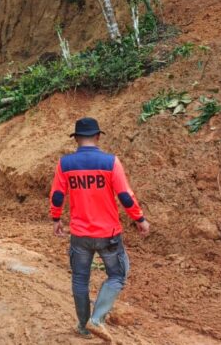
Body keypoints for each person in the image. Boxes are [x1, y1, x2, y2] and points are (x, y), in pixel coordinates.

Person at [48, 117, 150, 342]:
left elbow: (57, 195)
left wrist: (56, 219)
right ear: (98, 136)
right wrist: (139, 219)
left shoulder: (65, 164)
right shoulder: (110, 162)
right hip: (108, 234)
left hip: (80, 234)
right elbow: (124, 195)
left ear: (75, 139)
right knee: (118, 274)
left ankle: (84, 328)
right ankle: (96, 319)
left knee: (80, 279)